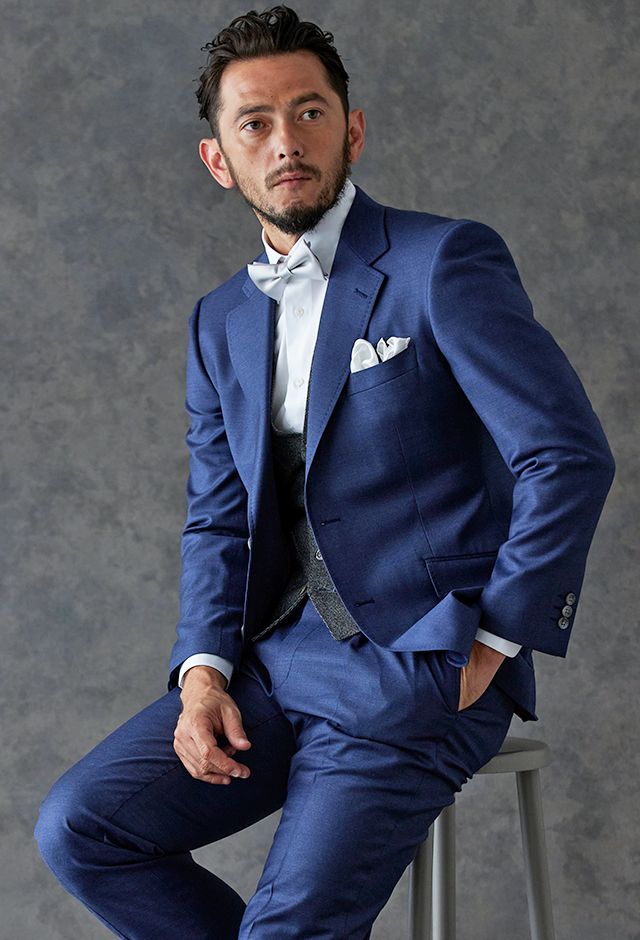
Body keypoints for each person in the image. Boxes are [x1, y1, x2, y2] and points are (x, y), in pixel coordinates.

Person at [34, 6, 616, 938]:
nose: (286, 141)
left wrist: (495, 640)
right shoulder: (218, 321)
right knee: (82, 829)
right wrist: (202, 675)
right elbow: (218, 518)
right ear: (218, 159)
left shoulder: (440, 261)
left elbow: (566, 455)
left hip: (420, 664)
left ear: (352, 129)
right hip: (271, 668)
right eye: (255, 123)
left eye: (309, 112)